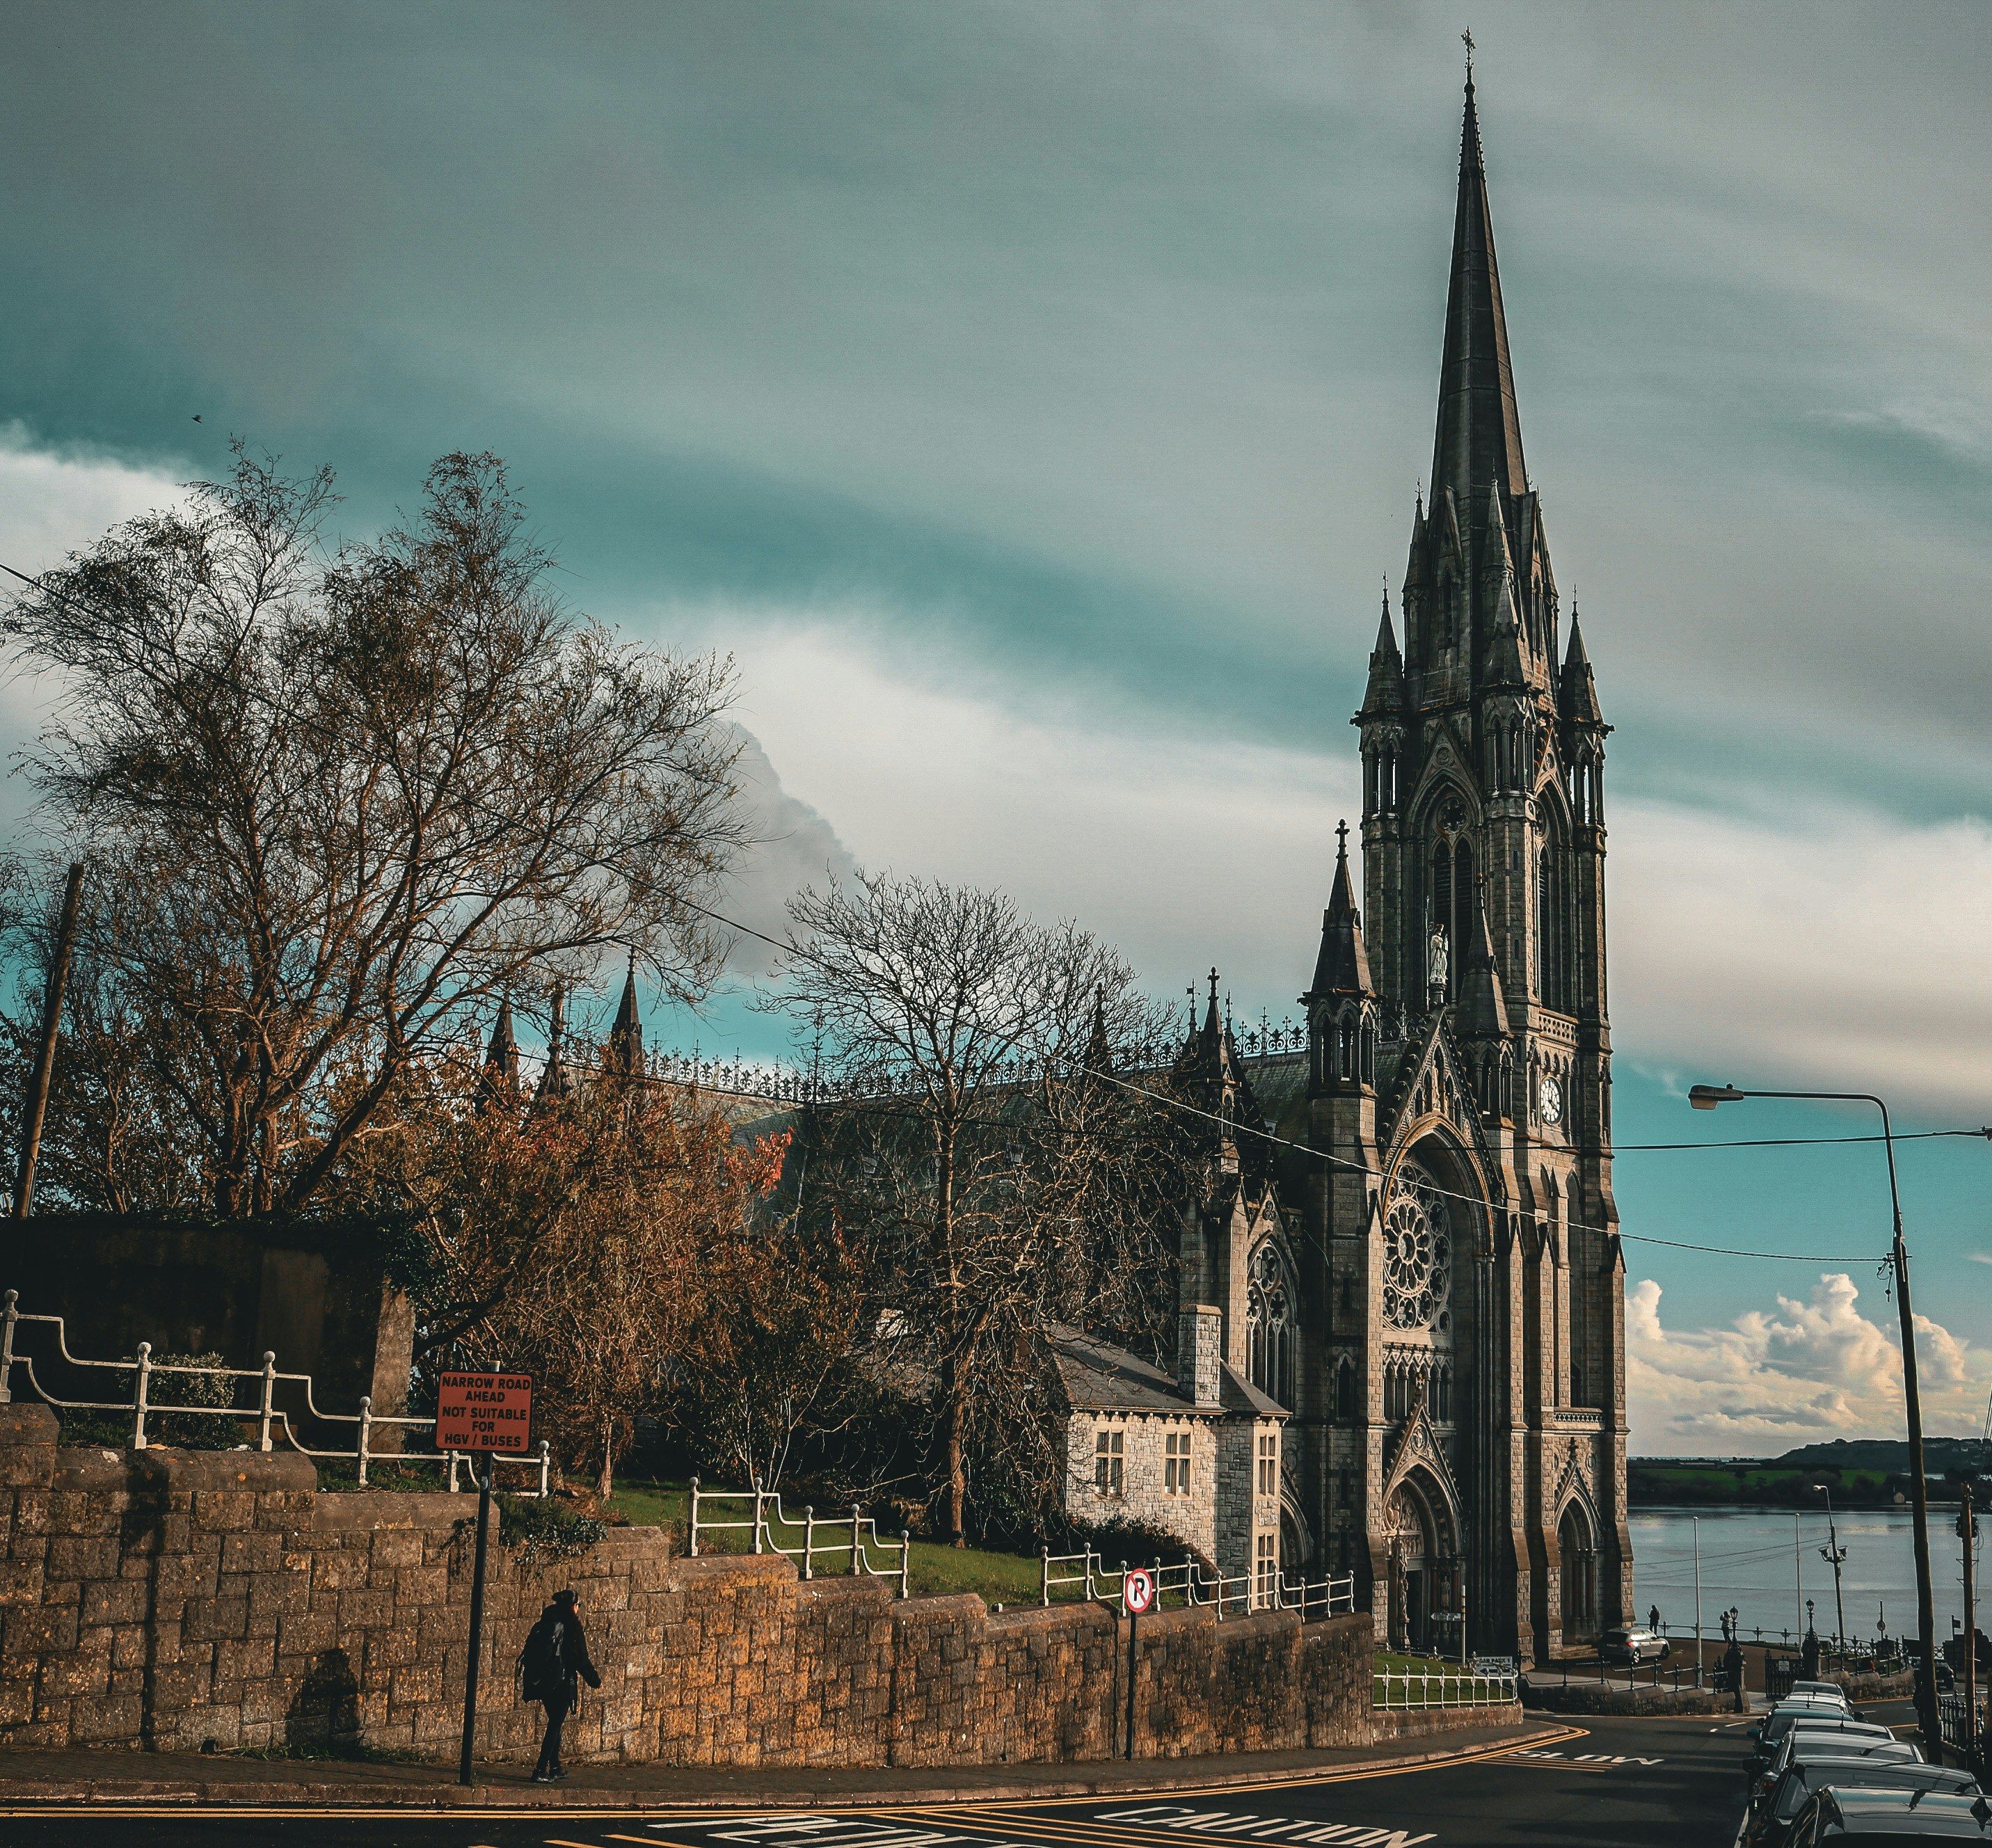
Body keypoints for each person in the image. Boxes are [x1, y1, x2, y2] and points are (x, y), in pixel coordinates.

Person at [518, 1588, 600, 1783]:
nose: (578, 1608)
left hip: (544, 1682)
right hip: (562, 1682)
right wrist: (594, 1680)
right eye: (578, 1605)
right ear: (573, 1606)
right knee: (555, 1725)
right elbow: (580, 1657)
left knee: (555, 1723)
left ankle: (555, 1767)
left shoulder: (546, 1620)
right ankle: (540, 1770)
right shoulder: (571, 1626)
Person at [1723, 1639, 1746, 1713]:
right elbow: (1742, 1662)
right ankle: (1739, 1708)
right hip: (1736, 1674)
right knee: (1737, 1692)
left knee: (1736, 1692)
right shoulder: (1738, 1654)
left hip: (1732, 1674)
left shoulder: (1730, 1654)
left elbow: (1725, 1662)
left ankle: (1738, 1708)